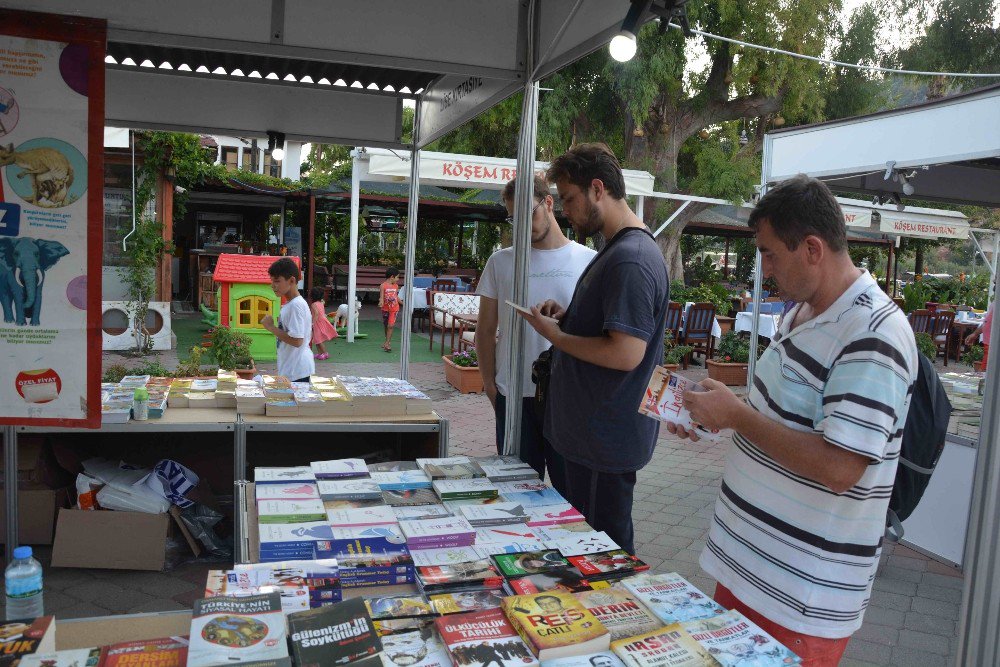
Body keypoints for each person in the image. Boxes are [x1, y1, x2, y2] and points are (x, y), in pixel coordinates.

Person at [668, 175, 918, 665]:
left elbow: (840, 468)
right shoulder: (803, 310)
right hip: (752, 570)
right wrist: (713, 410)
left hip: (800, 597)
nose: (763, 268)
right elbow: (780, 417)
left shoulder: (874, 334)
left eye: (768, 254)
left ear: (811, 248)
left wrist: (738, 416)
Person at [515, 143, 669, 555]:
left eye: (568, 198)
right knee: (591, 553)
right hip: (593, 437)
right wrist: (569, 318)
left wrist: (557, 336)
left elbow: (625, 353)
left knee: (607, 557)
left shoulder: (631, 258)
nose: (564, 210)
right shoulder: (617, 252)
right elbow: (612, 329)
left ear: (597, 189)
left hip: (604, 440)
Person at [477, 175, 595, 487]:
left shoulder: (589, 261)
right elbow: (486, 330)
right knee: (515, 494)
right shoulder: (501, 261)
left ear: (549, 203)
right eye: (513, 218)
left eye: (527, 214)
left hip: (566, 398)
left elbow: (595, 334)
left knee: (570, 495)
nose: (521, 226)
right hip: (513, 396)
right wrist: (490, 385)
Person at [261, 258, 314, 382]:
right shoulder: (291, 304)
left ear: (291, 280)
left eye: (277, 281)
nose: (273, 285)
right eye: (272, 281)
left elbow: (297, 341)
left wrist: (271, 327)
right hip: (292, 368)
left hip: (297, 371)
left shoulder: (296, 305)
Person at [308, 287, 337, 361]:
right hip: (322, 321)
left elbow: (316, 314)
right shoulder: (321, 303)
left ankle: (325, 353)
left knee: (319, 340)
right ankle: (320, 353)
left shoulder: (313, 304)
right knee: (317, 339)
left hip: (317, 323)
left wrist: (312, 323)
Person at [964, 296, 994, 368]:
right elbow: (986, 322)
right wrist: (975, 333)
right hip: (989, 344)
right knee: (986, 372)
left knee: (988, 371)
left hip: (994, 345)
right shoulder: (994, 303)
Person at [379, 266, 401, 352]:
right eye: (397, 277)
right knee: (386, 326)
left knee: (390, 326)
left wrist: (403, 302)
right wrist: (381, 302)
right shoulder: (383, 286)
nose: (398, 279)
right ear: (392, 277)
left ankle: (387, 343)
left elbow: (396, 297)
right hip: (385, 309)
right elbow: (381, 297)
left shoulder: (396, 286)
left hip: (394, 309)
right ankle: (386, 341)